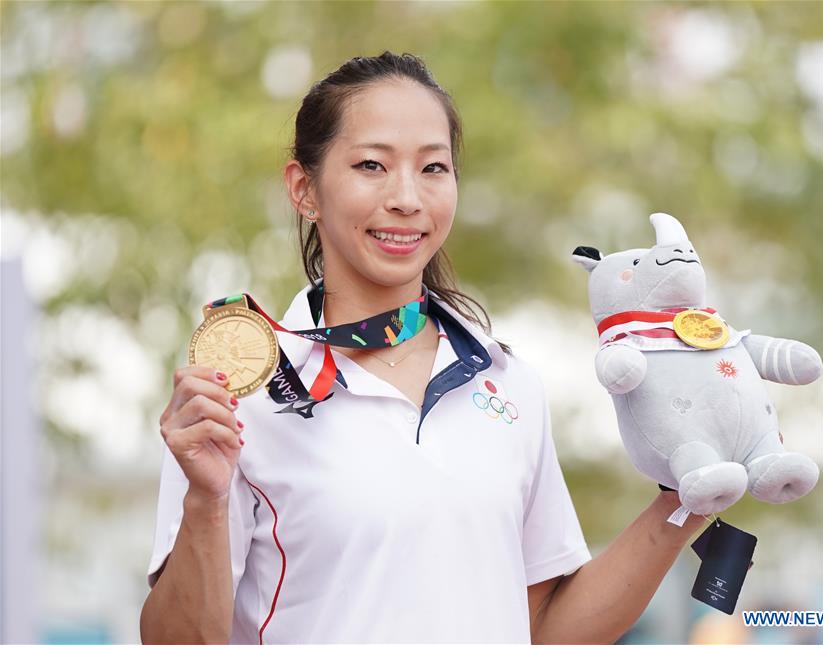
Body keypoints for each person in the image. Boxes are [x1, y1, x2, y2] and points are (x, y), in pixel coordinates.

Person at [139, 51, 706, 644]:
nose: (407, 198)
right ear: (304, 190)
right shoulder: (239, 400)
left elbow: (541, 628)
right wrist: (206, 500)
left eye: (433, 168)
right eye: (371, 165)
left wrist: (685, 499)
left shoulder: (506, 381)